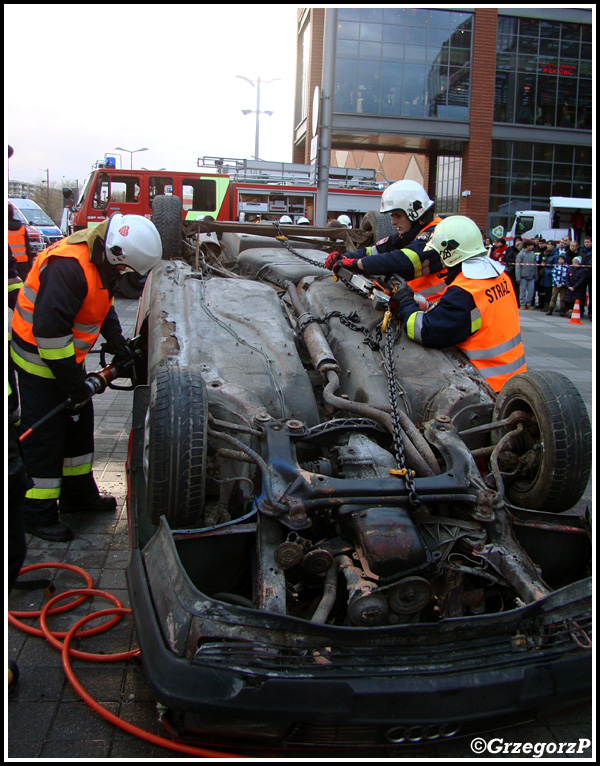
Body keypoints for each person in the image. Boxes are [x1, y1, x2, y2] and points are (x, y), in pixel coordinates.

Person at [10, 214, 162, 542]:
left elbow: (99, 305)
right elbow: (50, 335)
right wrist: (73, 386)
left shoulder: (100, 260)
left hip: (66, 360)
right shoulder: (68, 267)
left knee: (78, 427)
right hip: (40, 363)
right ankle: (35, 513)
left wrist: (118, 344)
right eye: (125, 270)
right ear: (117, 254)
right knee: (46, 437)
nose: (124, 276)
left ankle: (78, 496)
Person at [388, 215, 526, 393]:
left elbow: (425, 330)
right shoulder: (498, 275)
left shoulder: (464, 291)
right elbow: (468, 315)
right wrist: (422, 303)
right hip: (515, 379)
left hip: (486, 385)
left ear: (450, 253)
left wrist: (405, 302)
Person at [324, 180, 447, 304]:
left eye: (397, 216)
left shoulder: (439, 233)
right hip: (417, 307)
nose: (393, 222)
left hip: (438, 311)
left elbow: (403, 261)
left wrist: (357, 264)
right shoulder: (411, 233)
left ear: (414, 213)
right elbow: (376, 250)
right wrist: (344, 257)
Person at [8, 203, 36, 280]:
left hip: (9, 264)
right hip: (23, 263)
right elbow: (28, 248)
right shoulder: (22, 228)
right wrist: (30, 265)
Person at [515, 239, 537, 309]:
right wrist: (518, 276)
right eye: (531, 245)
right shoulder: (521, 254)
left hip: (532, 276)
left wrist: (536, 275)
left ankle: (529, 303)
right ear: (527, 246)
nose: (532, 247)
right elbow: (518, 266)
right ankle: (522, 303)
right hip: (523, 276)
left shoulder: (533, 254)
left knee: (531, 291)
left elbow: (535, 265)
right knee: (523, 291)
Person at [580, 236, 592, 320]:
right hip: (582, 275)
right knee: (581, 294)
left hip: (591, 275)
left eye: (588, 242)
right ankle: (580, 311)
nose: (586, 244)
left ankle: (591, 312)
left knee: (592, 295)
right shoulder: (581, 252)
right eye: (585, 242)